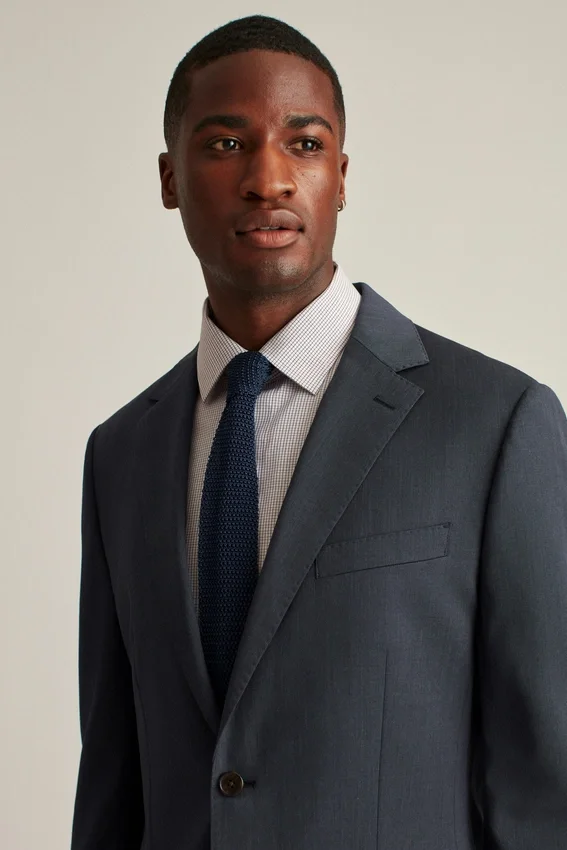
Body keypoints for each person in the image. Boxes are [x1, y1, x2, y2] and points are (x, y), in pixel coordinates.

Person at [70, 13, 567, 850]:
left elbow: (546, 788)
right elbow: (114, 785)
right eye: (225, 144)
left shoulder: (493, 424)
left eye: (303, 145)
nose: (267, 179)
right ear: (169, 178)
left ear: (340, 177)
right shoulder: (119, 454)